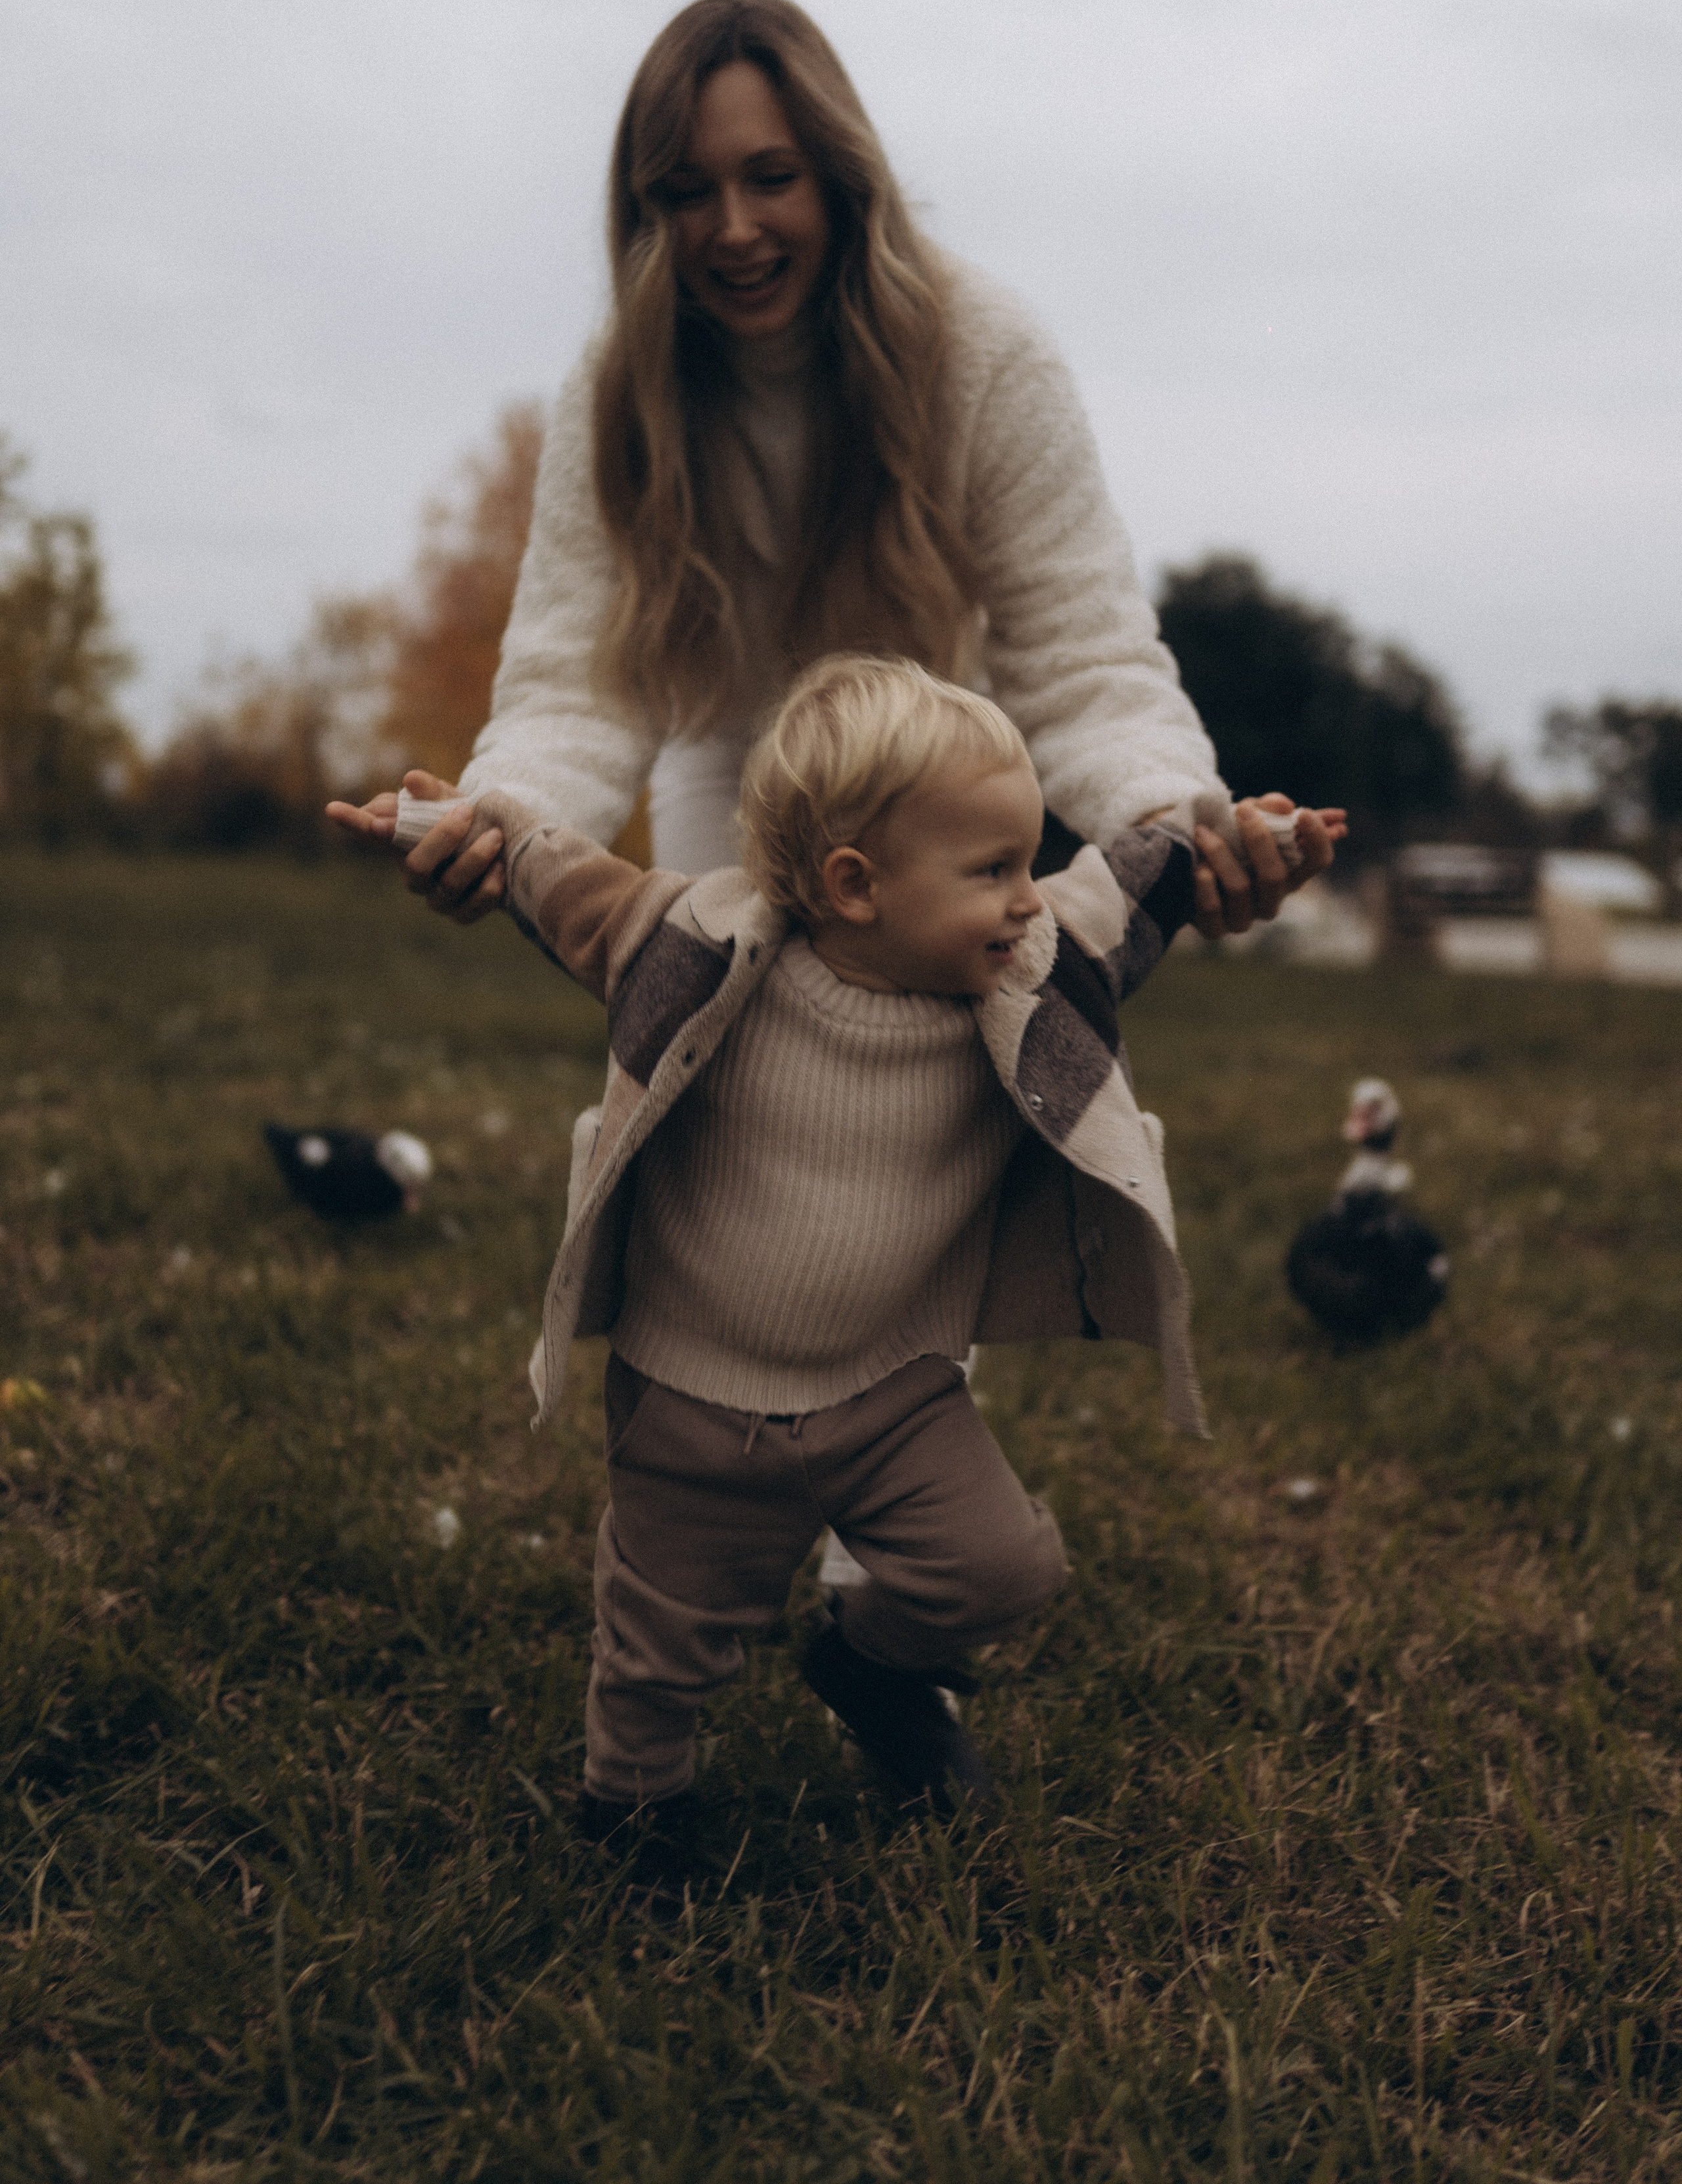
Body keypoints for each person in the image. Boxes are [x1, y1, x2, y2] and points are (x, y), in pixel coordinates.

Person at [336, 656, 1345, 1894]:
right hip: (693, 1401)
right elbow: (557, 876)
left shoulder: (1028, 972)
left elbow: (1136, 882)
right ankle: (633, 1817)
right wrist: (455, 822)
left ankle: (866, 1662)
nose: (1029, 900)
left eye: (1028, 862)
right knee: (665, 1647)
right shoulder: (694, 947)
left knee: (1006, 1568)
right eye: (992, 871)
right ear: (855, 886)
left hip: (894, 1393)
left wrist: (1238, 837)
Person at [333, 0, 1339, 927]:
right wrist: (500, 822)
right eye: (688, 192)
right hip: (724, 780)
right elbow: (579, 686)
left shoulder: (984, 350)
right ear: (644, 213)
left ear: (840, 176)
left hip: (941, 789)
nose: (734, 230)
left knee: (977, 1097)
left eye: (771, 178)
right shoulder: (620, 386)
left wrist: (1179, 825)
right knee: (718, 1079)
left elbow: (1083, 660)